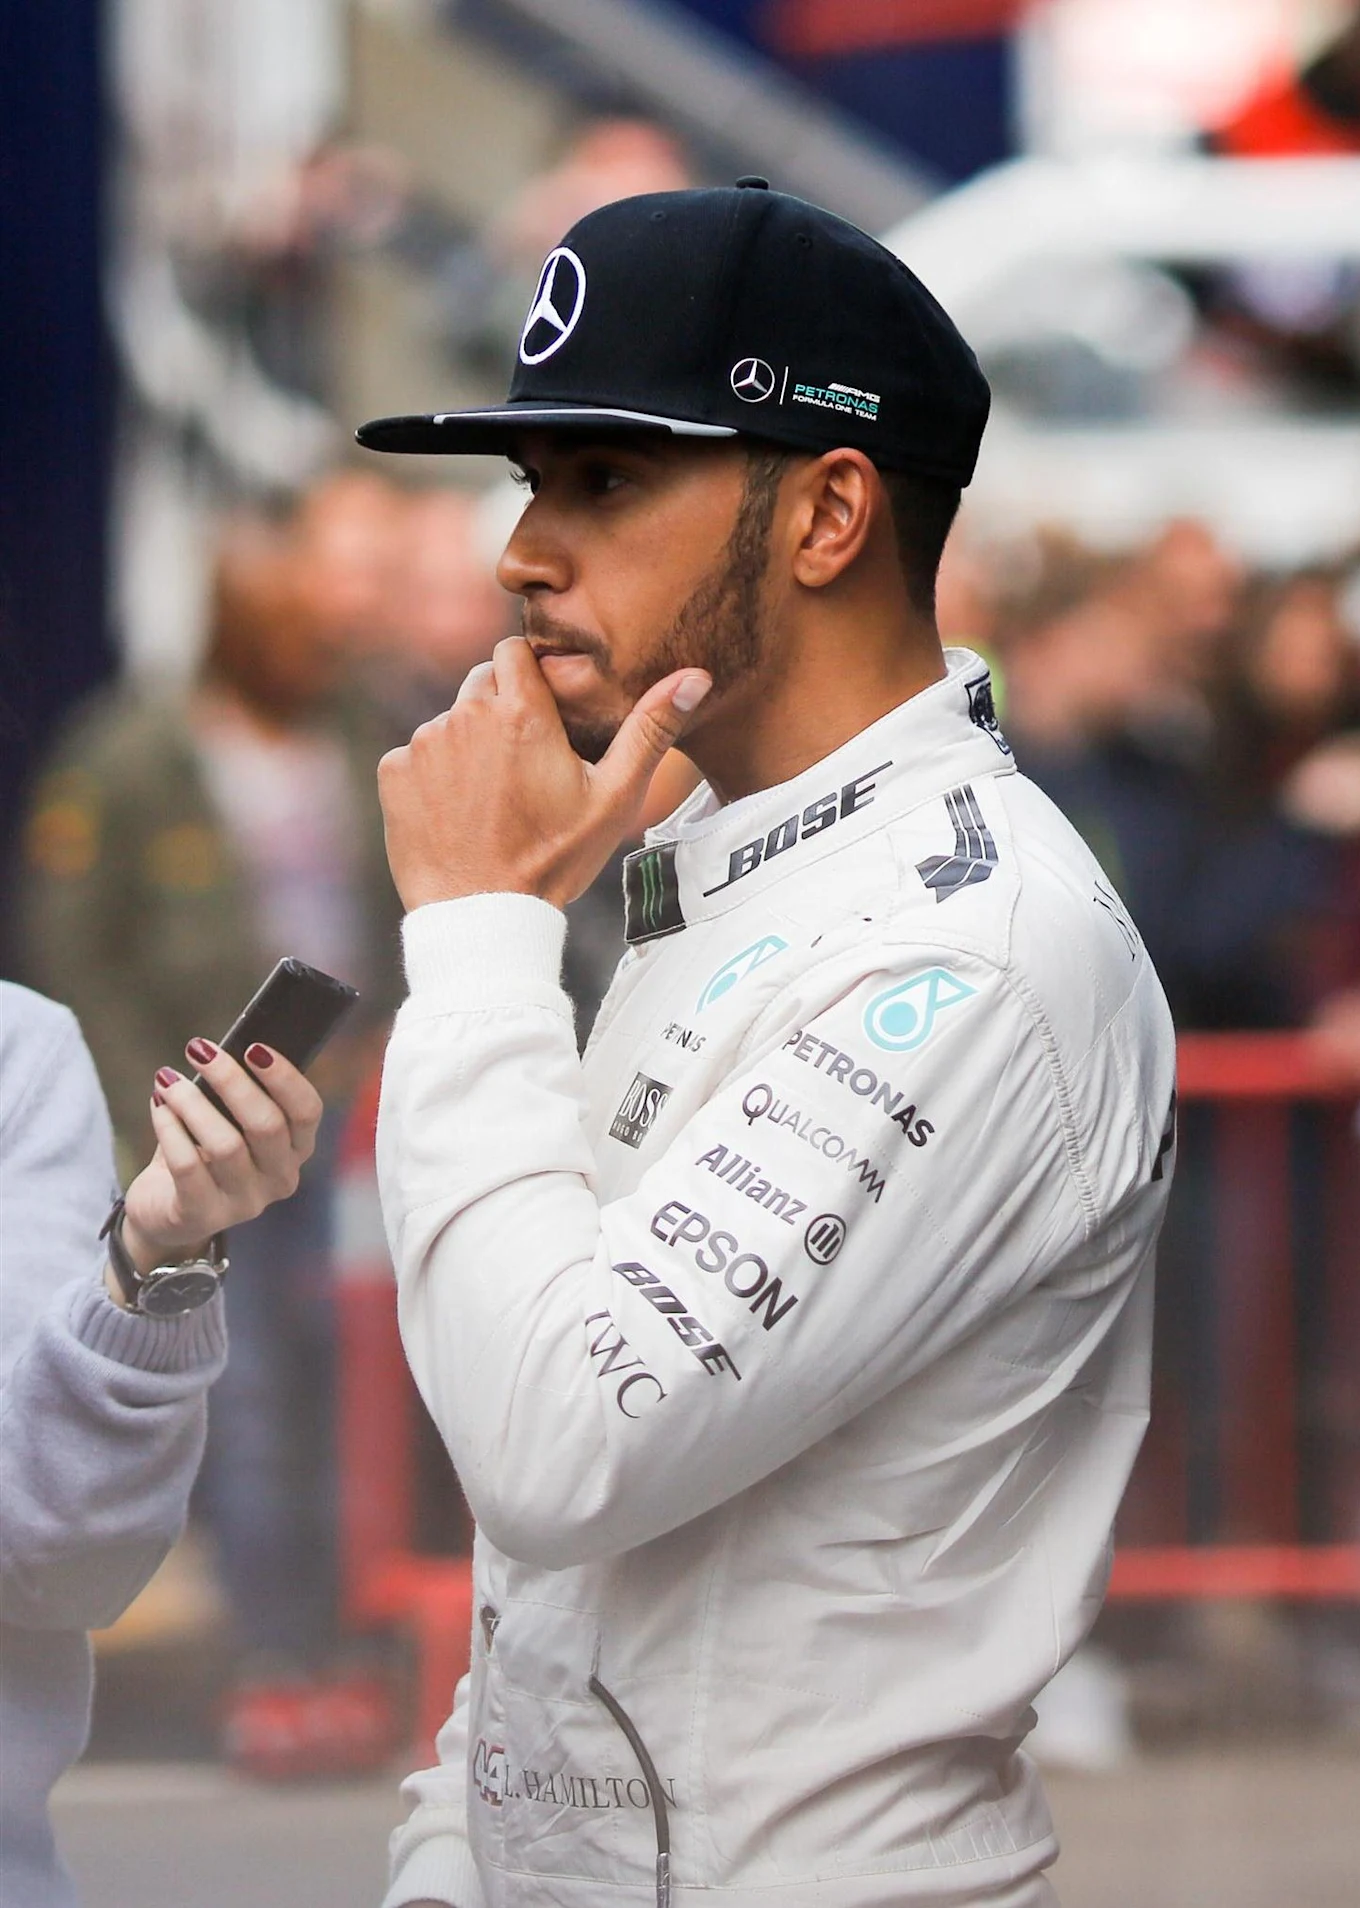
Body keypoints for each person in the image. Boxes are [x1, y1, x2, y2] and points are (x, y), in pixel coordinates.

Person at [350, 179, 1176, 1907]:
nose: (521, 549)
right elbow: (555, 1579)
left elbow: (564, 1440)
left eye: (607, 478)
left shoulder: (978, 944)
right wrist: (447, 1861)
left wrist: (480, 935)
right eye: (531, 481)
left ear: (826, 515)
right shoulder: (717, 867)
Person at [16, 508, 408, 1775]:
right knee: (241, 1401)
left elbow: (392, 903)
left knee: (344, 1388)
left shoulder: (352, 735)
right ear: (243, 632)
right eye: (297, 633)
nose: (323, 650)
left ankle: (337, 1646)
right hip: (187, 1139)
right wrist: (148, 1123)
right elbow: (76, 957)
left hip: (341, 1116)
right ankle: (270, 1654)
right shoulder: (129, 757)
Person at [0, 990, 325, 1907]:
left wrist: (156, 1250)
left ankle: (287, 1657)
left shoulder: (19, 1051)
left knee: (283, 1437)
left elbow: (58, 1561)